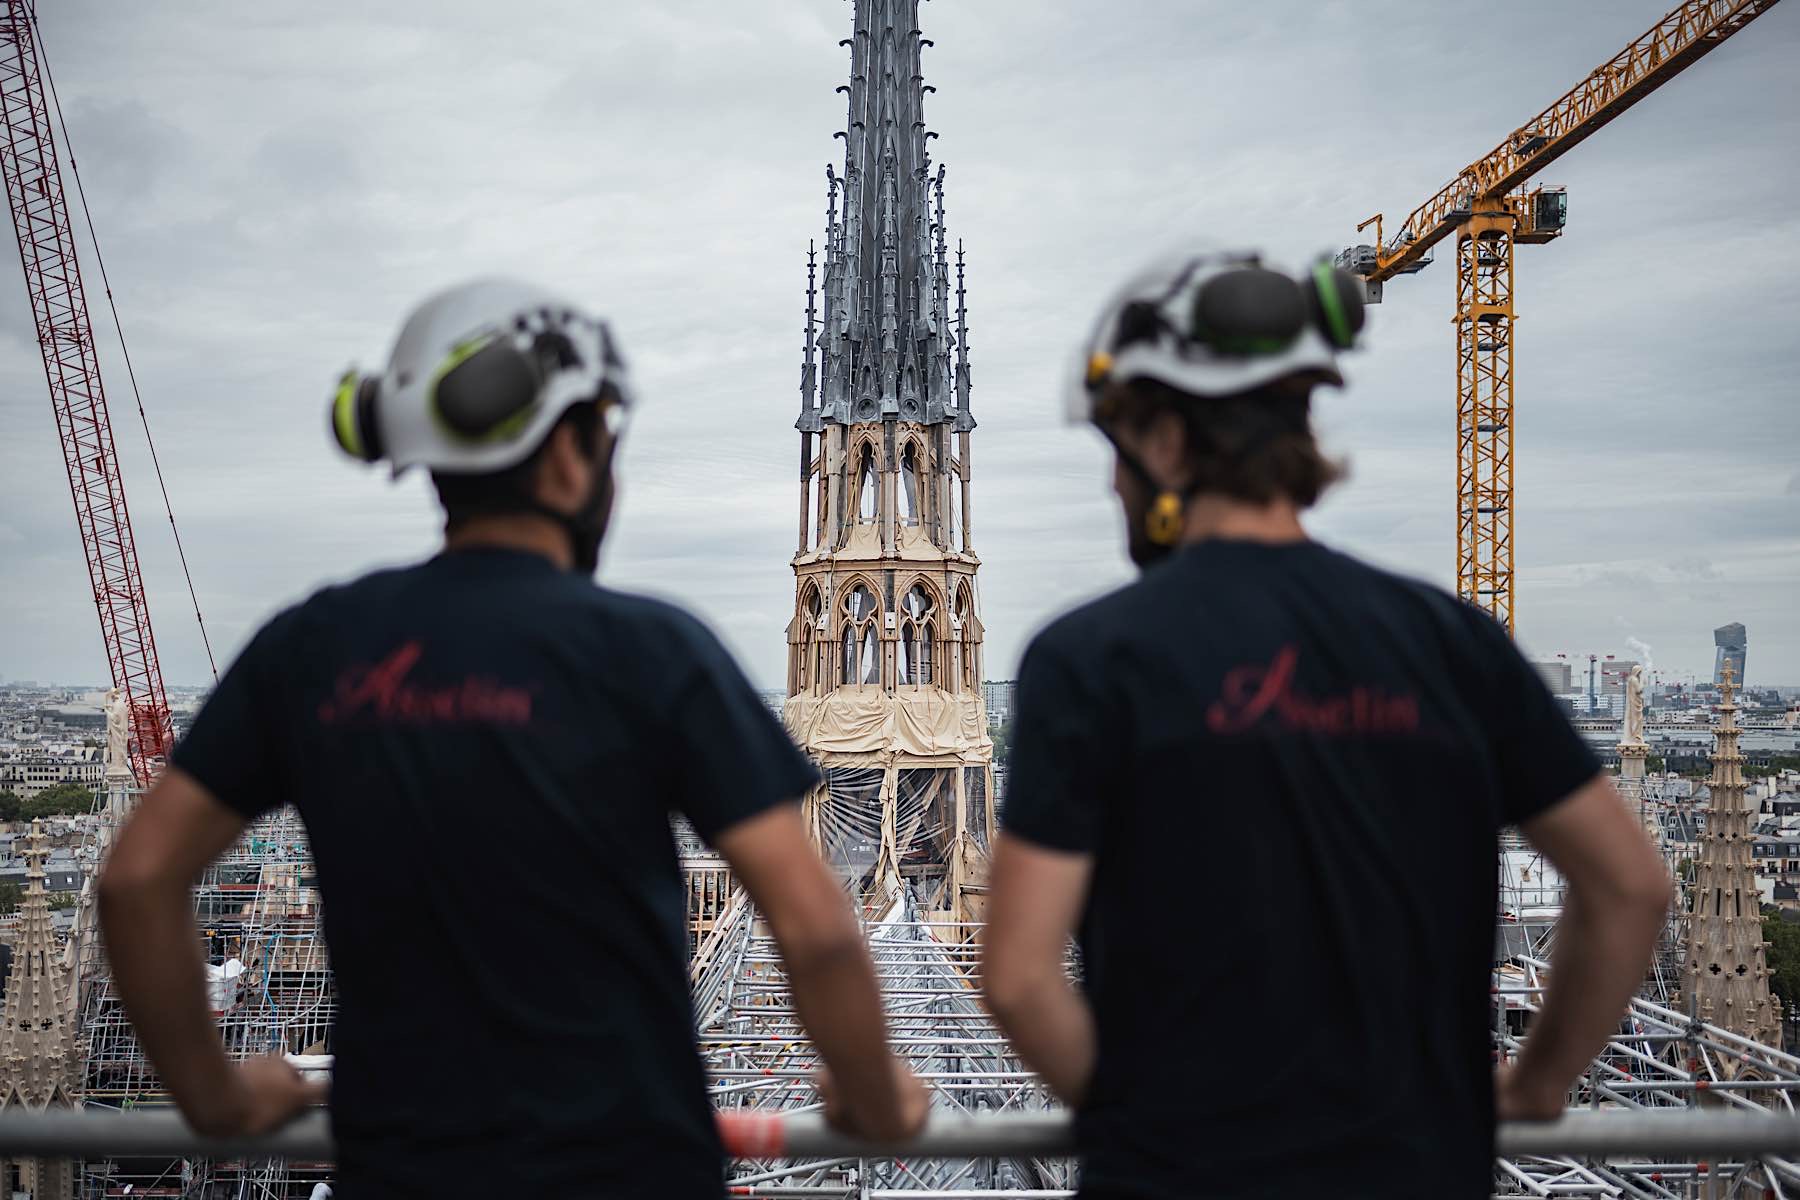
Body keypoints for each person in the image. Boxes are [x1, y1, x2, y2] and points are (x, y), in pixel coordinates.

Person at [99, 279, 926, 1198]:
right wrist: (872, 1092)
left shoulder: (316, 646)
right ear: (571, 458)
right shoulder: (652, 650)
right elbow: (814, 927)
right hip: (627, 1170)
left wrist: (211, 1096)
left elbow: (137, 880)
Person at [980, 250, 1670, 1198]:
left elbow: (1018, 977)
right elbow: (1629, 885)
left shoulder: (1092, 659)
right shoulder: (1453, 642)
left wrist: (1149, 1132)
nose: (1113, 486)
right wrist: (1536, 1085)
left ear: (1171, 443)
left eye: (1121, 445)